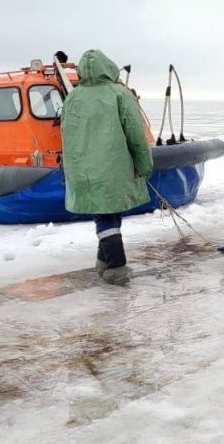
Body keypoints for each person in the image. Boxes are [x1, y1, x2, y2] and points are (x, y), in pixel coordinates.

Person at [60, 49, 154, 285]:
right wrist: (144, 165)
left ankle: (104, 260)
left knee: (104, 213)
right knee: (108, 215)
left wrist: (68, 170)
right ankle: (117, 266)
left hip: (83, 168)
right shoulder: (119, 94)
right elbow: (136, 134)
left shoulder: (72, 97)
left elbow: (66, 137)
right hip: (114, 166)